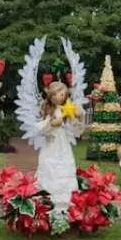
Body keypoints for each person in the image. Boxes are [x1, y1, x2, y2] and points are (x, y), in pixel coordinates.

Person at [35, 80, 83, 214]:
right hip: (51, 145)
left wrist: (78, 117)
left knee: (64, 167)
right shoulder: (48, 111)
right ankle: (47, 200)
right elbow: (41, 129)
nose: (58, 97)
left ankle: (66, 202)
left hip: (63, 144)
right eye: (55, 94)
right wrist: (52, 123)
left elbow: (77, 131)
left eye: (62, 94)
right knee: (49, 166)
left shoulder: (67, 109)